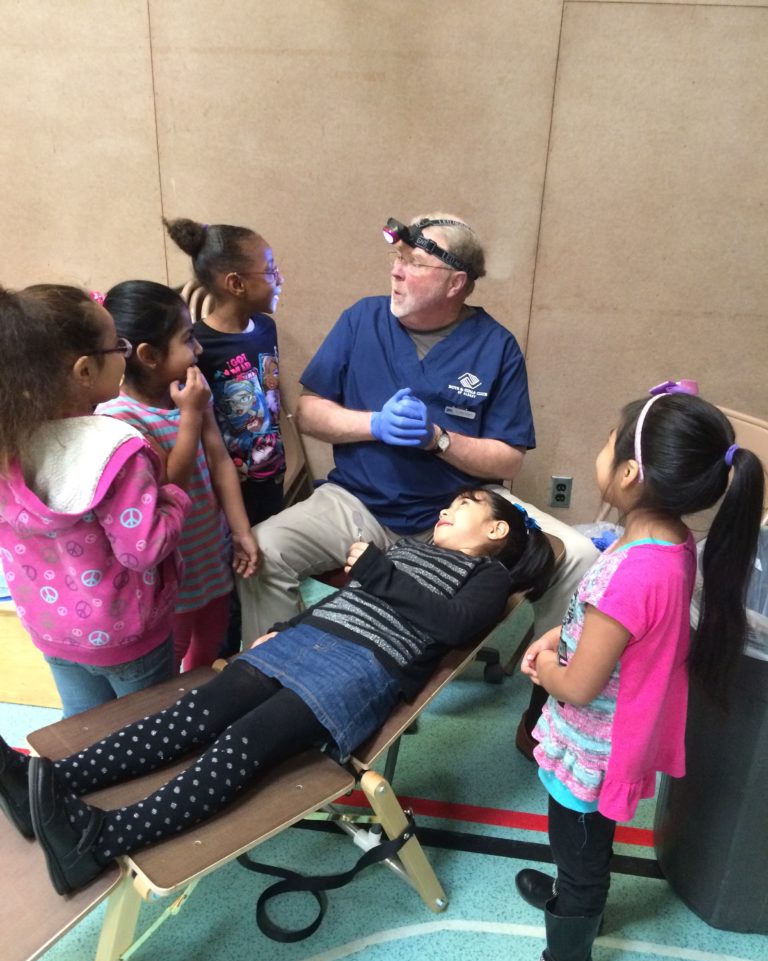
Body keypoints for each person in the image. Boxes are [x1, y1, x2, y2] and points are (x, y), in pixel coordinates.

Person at [0, 488, 555, 893]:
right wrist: (287, 630)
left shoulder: (488, 579)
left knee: (243, 743)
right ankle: (48, 779)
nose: (446, 506)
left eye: (464, 504)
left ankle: (98, 841)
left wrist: (379, 573)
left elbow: (453, 625)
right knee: (194, 713)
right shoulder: (410, 549)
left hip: (360, 670)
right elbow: (347, 603)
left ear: (496, 530)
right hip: (309, 640)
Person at [495, 384, 765, 961]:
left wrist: (543, 667)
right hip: (612, 728)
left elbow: (582, 684)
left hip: (596, 739)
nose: (601, 453)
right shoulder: (664, 541)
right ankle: (570, 889)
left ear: (629, 473)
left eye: (608, 443)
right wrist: (563, 632)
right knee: (579, 844)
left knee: (581, 842)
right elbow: (609, 628)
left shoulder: (636, 568)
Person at [236, 212, 597, 659]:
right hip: (357, 504)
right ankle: (278, 670)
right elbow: (308, 412)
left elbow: (508, 460)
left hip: (455, 515)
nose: (397, 269)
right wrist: (374, 425)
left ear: (455, 283)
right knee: (263, 550)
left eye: (416, 262)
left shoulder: (495, 345)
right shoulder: (361, 320)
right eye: (397, 256)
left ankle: (543, 686)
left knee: (579, 555)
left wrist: (438, 439)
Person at [0, 284, 191, 719]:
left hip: (52, 631)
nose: (124, 352)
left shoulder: (8, 443)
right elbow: (141, 548)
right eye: (118, 345)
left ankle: (74, 785)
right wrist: (175, 499)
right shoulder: (117, 449)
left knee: (84, 729)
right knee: (149, 731)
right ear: (85, 370)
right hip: (127, 635)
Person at [98, 281, 258, 671]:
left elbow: (220, 460)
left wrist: (240, 531)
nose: (199, 350)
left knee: (211, 644)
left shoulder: (191, 393)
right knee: (169, 663)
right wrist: (189, 415)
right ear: (149, 355)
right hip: (171, 574)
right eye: (189, 340)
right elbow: (170, 486)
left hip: (211, 556)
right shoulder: (120, 418)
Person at [164, 217, 286, 527]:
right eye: (270, 270)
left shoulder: (266, 328)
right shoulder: (198, 346)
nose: (279, 279)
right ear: (236, 284)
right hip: (227, 492)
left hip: (271, 476)